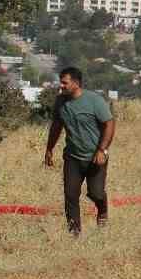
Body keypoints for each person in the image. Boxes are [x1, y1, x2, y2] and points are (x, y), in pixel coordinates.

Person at [43, 67, 116, 235]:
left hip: (95, 156)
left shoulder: (94, 101)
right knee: (70, 194)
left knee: (96, 193)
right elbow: (56, 126)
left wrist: (102, 150)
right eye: (60, 82)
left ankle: (102, 208)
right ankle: (74, 232)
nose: (61, 86)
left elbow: (109, 124)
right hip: (73, 158)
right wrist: (49, 149)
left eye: (64, 82)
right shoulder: (60, 102)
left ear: (76, 83)